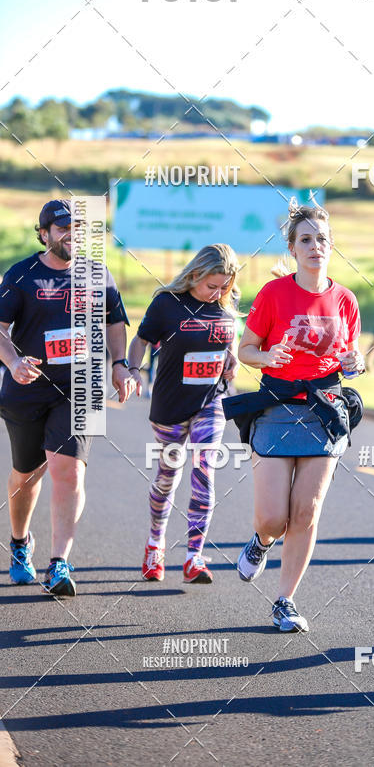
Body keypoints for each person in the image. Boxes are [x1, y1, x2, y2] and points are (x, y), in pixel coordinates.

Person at [224, 200, 364, 632]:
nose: (315, 246)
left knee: (307, 512)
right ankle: (261, 542)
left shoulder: (346, 299)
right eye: (306, 239)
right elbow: (244, 351)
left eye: (322, 239)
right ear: (292, 247)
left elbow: (347, 357)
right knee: (273, 518)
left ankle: (285, 599)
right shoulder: (273, 294)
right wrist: (268, 354)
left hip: (324, 412)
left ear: (331, 246)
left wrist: (355, 362)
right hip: (277, 408)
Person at [0, 199, 134, 596]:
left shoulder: (98, 273)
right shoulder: (22, 274)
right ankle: (21, 542)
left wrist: (120, 363)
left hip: (82, 385)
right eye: (62, 228)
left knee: (70, 470)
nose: (73, 235)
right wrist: (12, 363)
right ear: (44, 234)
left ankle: (59, 562)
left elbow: (114, 321)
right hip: (28, 386)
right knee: (27, 474)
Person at [128, 244, 240, 584]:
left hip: (212, 401)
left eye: (225, 287)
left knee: (205, 469)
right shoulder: (166, 304)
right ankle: (155, 543)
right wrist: (133, 369)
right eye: (212, 286)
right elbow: (141, 340)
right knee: (168, 475)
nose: (218, 293)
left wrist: (232, 357)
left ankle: (194, 556)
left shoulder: (226, 301)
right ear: (194, 275)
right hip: (170, 405)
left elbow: (226, 335)